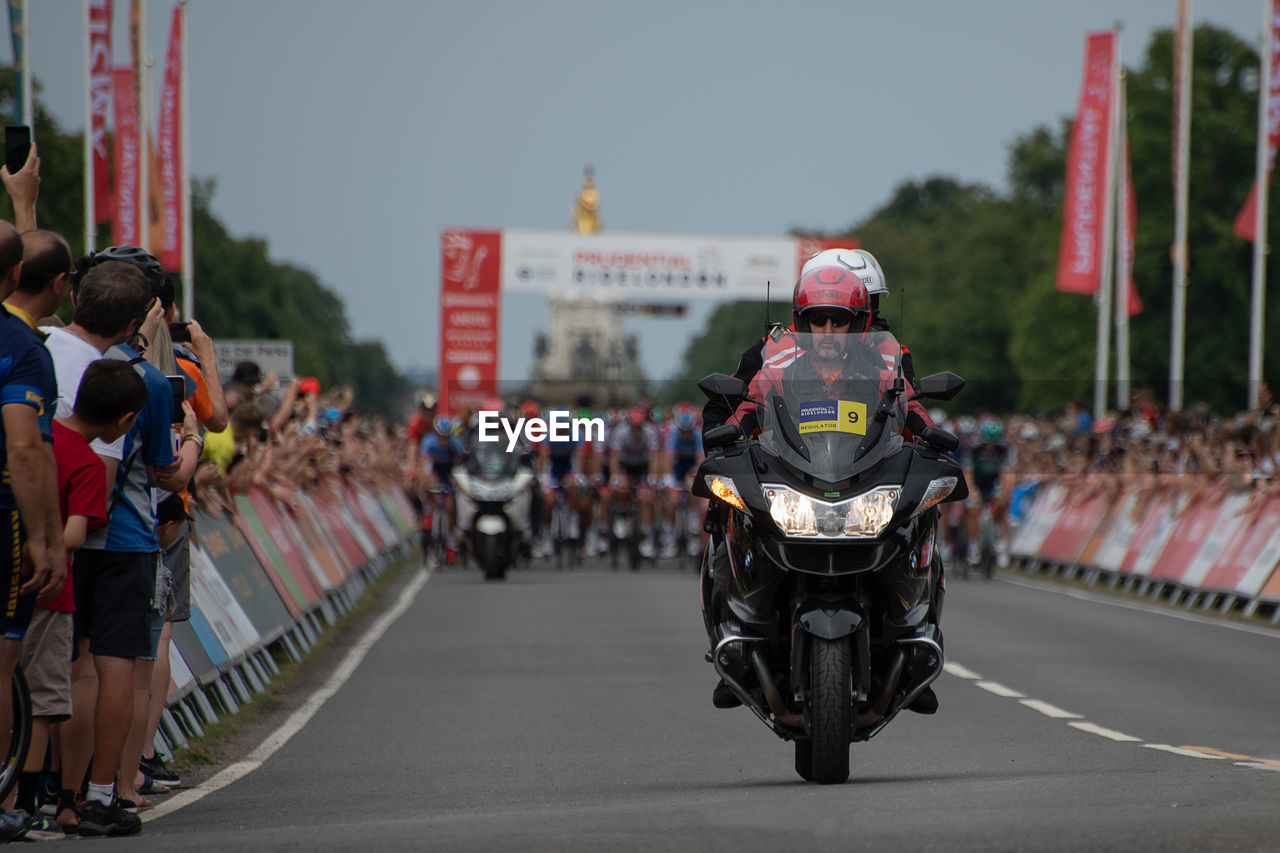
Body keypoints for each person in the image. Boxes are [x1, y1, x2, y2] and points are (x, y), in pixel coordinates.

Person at [16, 360, 146, 838]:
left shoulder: (38, 434)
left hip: (12, 579)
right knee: (46, 702)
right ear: (126, 421)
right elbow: (74, 536)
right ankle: (32, 803)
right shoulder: (90, 464)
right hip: (53, 591)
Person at [0, 222, 64, 842]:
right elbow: (26, 452)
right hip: (2, 509)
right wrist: (44, 540)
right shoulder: (21, 345)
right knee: (1, 661)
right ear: (17, 275)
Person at [965, 418, 1012, 569]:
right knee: (973, 510)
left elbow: (1008, 473)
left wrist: (1005, 492)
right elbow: (968, 472)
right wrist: (971, 491)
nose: (991, 446)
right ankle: (973, 547)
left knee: (1002, 505)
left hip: (994, 482)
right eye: (988, 443)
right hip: (978, 482)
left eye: (994, 443)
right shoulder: (975, 449)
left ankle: (1001, 543)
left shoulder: (1004, 449)